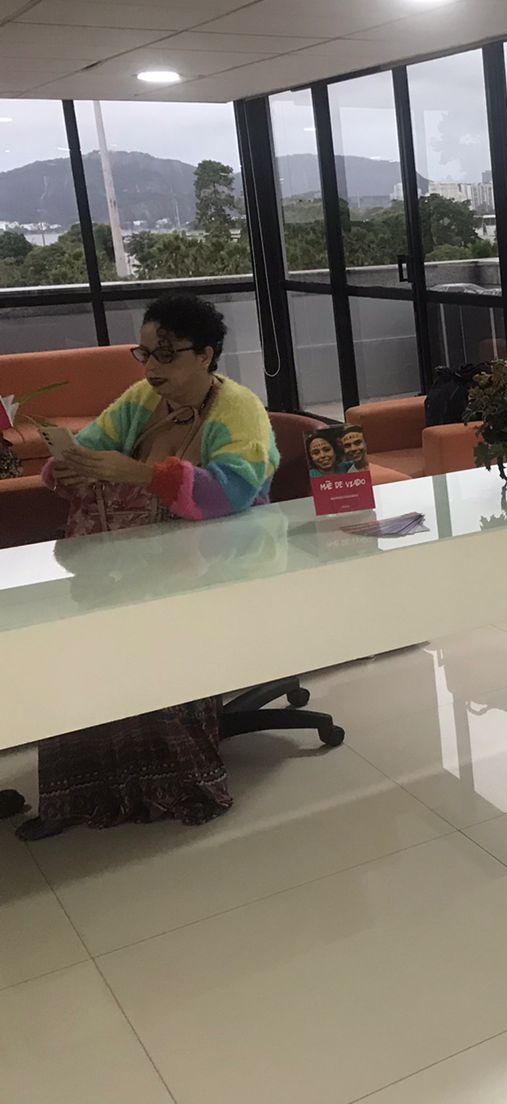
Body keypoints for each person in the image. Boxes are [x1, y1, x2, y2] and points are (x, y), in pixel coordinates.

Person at [19, 293, 279, 840]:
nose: (152, 368)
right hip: (134, 560)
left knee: (143, 640)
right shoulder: (142, 399)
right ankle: (84, 792)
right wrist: (69, 468)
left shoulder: (239, 409)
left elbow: (231, 494)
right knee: (77, 646)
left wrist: (139, 473)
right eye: (145, 354)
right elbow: (91, 448)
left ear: (205, 355)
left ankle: (179, 785)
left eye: (166, 354)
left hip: (218, 562)